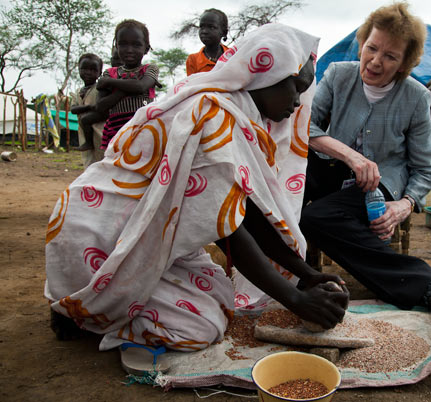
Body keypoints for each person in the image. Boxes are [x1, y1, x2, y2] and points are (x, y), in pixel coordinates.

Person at [45, 24, 348, 361]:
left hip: (137, 230)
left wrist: (308, 276)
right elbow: (228, 232)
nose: (296, 102)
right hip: (99, 234)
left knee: (218, 294)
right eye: (294, 88)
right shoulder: (214, 116)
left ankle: (88, 303)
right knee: (202, 325)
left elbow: (242, 211)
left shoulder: (234, 112)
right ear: (267, 73)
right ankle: (85, 309)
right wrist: (295, 300)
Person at [300, 2, 431, 310]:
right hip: (333, 167)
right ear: (362, 42)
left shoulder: (416, 96)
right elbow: (306, 127)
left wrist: (403, 206)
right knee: (288, 184)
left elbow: (424, 169)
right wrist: (350, 156)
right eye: (372, 48)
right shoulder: (339, 75)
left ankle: (423, 283)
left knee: (317, 217)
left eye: (390, 56)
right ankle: (288, 274)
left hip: (376, 185)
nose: (375, 61)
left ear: (404, 63)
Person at [97, 19, 159, 150]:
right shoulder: (109, 73)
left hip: (145, 132)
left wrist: (111, 83)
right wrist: (126, 89)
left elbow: (141, 87)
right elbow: (101, 106)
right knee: (116, 169)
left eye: (136, 45)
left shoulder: (150, 69)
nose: (129, 50)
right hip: (116, 133)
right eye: (123, 44)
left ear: (146, 48)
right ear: (117, 47)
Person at [70, 54, 106, 163]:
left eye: (93, 70)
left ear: (99, 73)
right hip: (84, 133)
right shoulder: (77, 92)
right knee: (88, 160)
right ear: (79, 69)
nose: (88, 73)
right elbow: (73, 109)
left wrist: (83, 109)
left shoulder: (100, 89)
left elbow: (102, 108)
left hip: (100, 131)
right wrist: (89, 107)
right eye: (84, 69)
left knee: (102, 159)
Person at [186, 8, 229, 75]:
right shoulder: (193, 60)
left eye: (211, 27)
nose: (204, 31)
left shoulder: (233, 56)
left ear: (224, 32)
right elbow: (192, 84)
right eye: (202, 27)